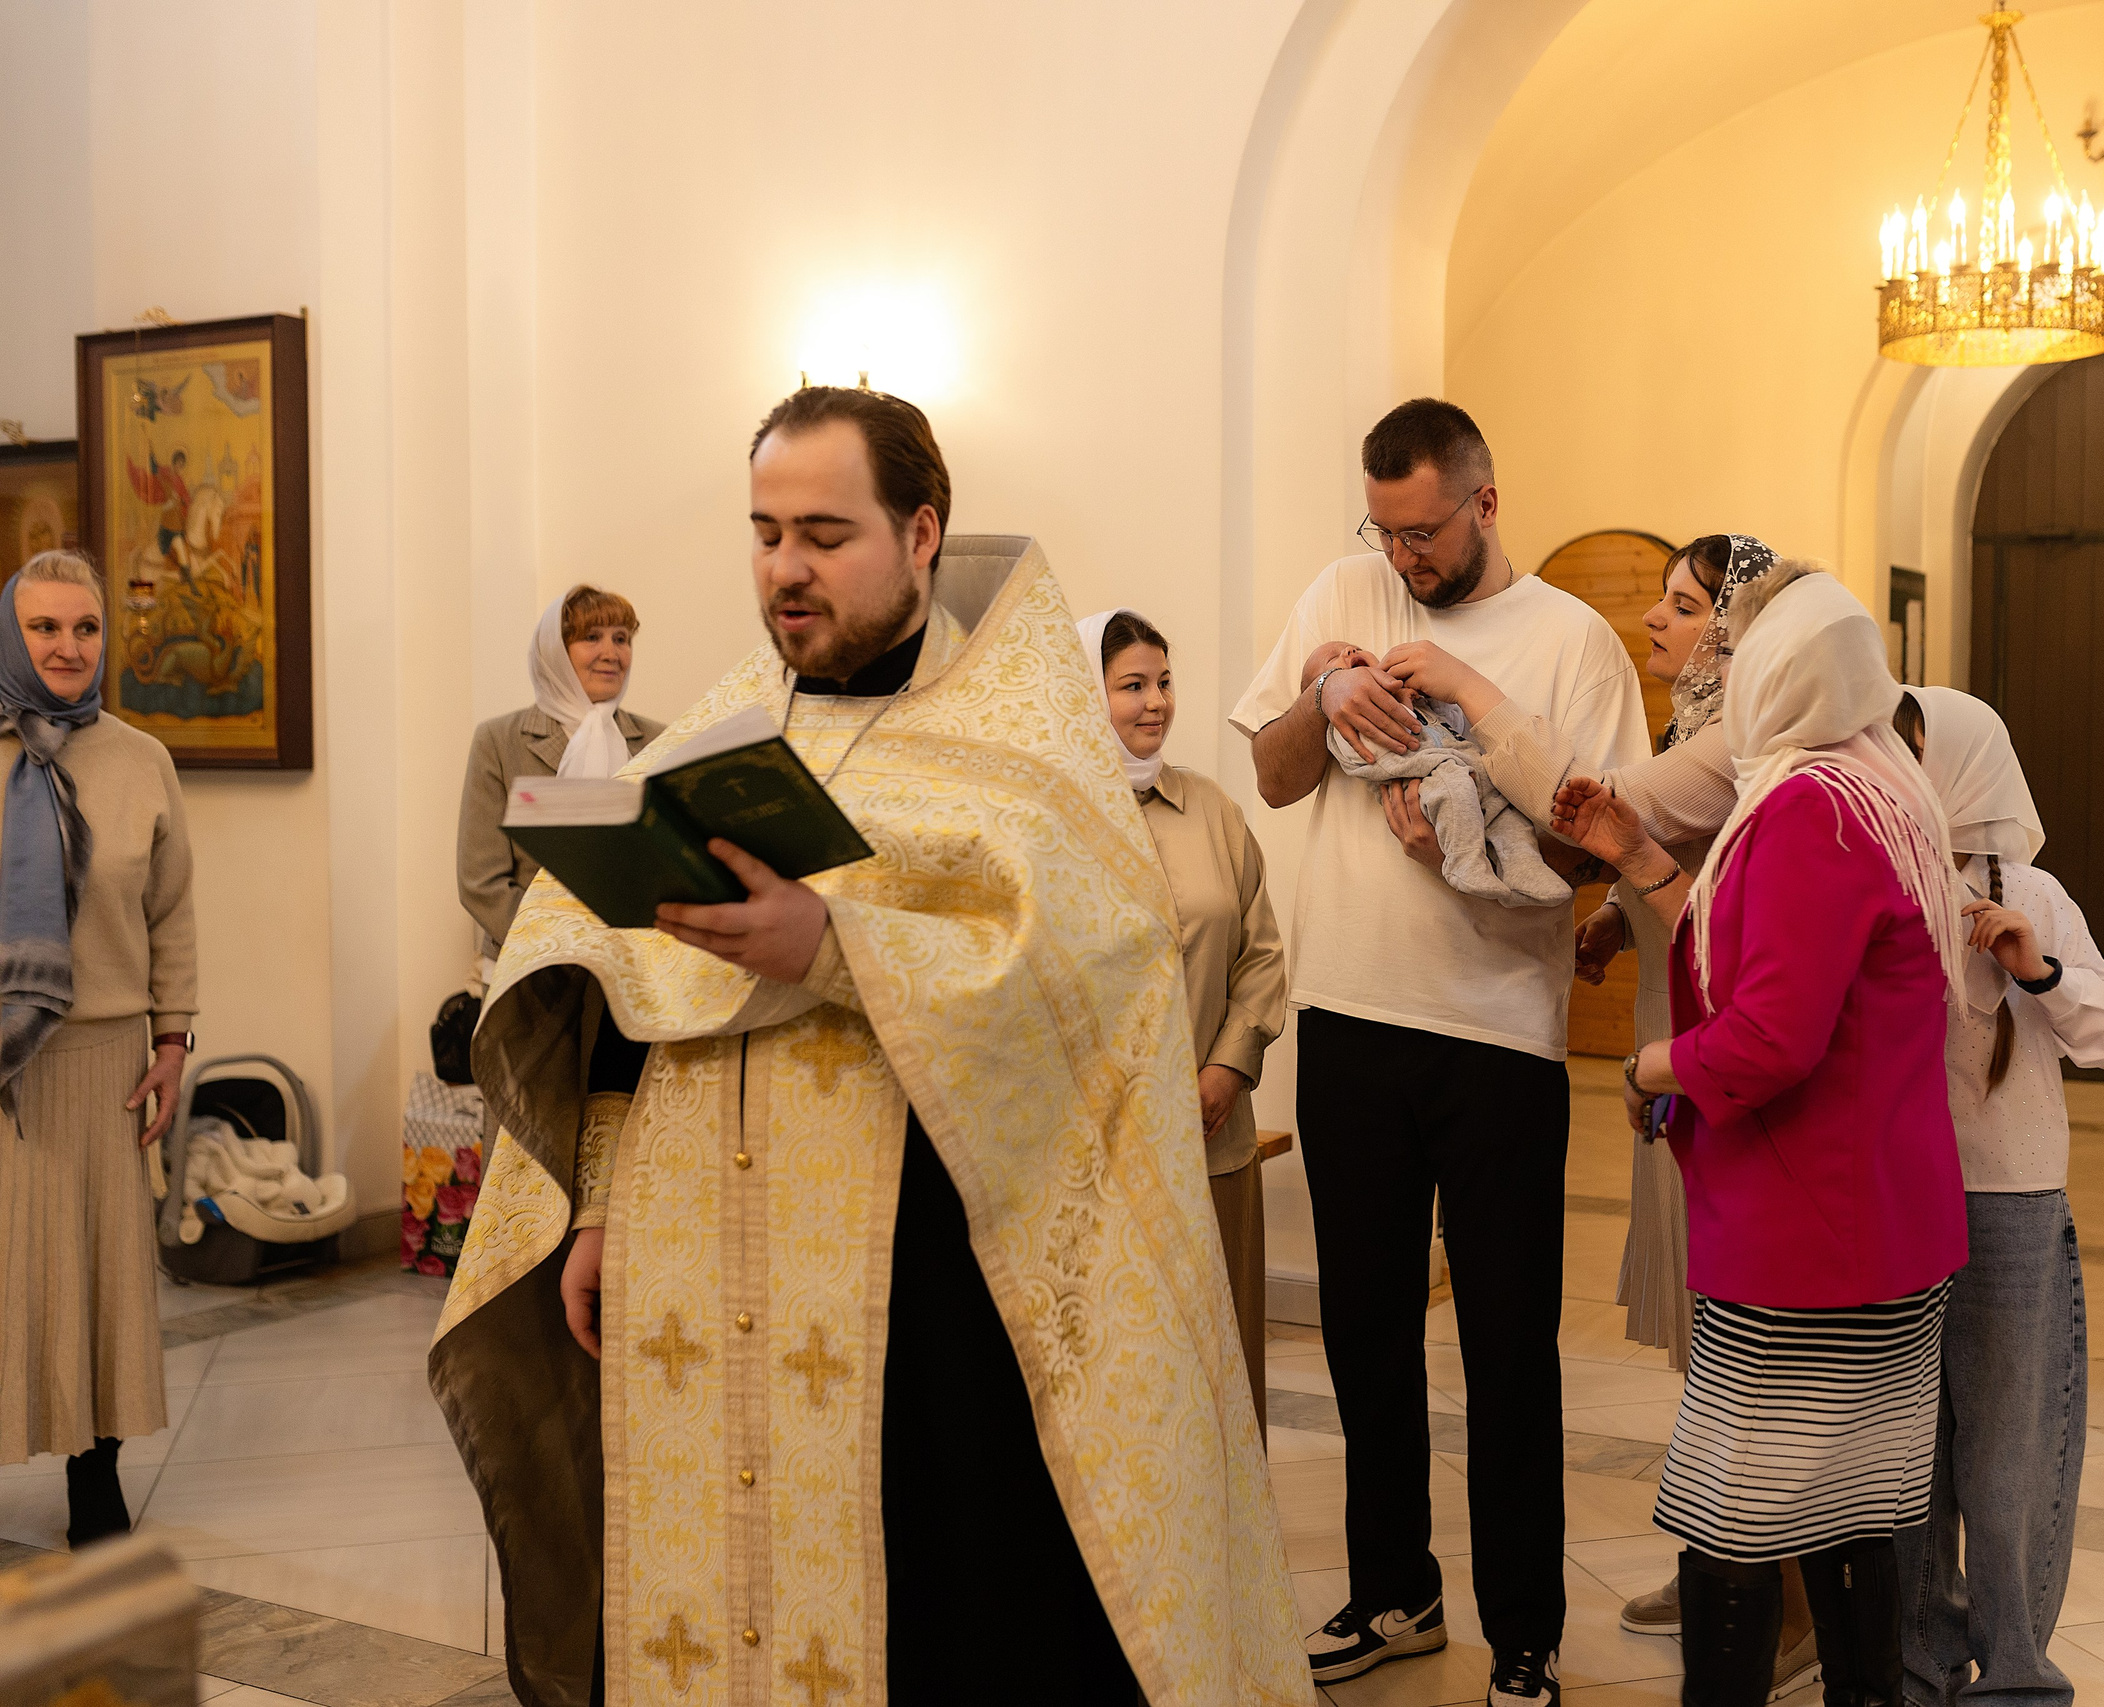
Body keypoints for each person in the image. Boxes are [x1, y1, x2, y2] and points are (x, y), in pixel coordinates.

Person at [431, 387, 1310, 1707]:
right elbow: (626, 998)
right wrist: (601, 1198)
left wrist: (836, 944)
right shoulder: (730, 723)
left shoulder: (1026, 749)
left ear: (921, 532)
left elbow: (1087, 984)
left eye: (825, 532)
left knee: (940, 1613)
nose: (786, 566)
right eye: (765, 530)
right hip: (698, 1259)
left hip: (924, 1280)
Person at [1232, 398, 1648, 1707]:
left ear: (1484, 500)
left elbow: (1603, 844)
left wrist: (1468, 798)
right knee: (1363, 1329)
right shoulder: (1344, 587)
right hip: (1351, 1011)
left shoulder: (1572, 642)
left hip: (1498, 1033)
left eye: (1425, 532)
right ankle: (1394, 1590)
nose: (1404, 561)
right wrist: (1323, 688)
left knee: (1509, 1343)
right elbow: (1280, 775)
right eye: (1386, 531)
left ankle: (1523, 1626)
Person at [1557, 566, 1968, 1707]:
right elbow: (1764, 966)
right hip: (1880, 1222)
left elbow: (1770, 1038)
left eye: (1734, 655)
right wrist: (1644, 861)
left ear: (1781, 674)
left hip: (1808, 1236)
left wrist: (1650, 1065)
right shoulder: (1880, 790)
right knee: (1851, 1518)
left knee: (1731, 1525)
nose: (1714, 674)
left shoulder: (1804, 810)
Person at [1451, 534, 1817, 1688]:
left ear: (1737, 634)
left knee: (1752, 1350)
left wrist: (1463, 690)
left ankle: (1788, 1602)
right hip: (1681, 1052)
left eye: (1683, 605)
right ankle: (1724, 1556)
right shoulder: (1697, 736)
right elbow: (1672, 871)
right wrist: (1620, 915)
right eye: (1656, 601)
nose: (1655, 622)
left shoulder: (1730, 743)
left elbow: (1584, 806)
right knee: (1711, 1343)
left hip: (1712, 1064)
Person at [1891, 686, 2104, 1707]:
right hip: (1900, 1202)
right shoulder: (1880, 877)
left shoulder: (2033, 892)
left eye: (1909, 752)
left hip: (2011, 1202)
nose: (1893, 772)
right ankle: (1919, 1661)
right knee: (1907, 1463)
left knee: (2004, 1461)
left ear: (1961, 768)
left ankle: (2018, 1676)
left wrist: (2035, 970)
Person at [0, 551, 199, 1545]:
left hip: (110, 1057)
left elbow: (171, 912)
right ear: (12, 634)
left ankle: (95, 1478)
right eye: (45, 628)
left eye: (84, 628)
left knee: (105, 1275)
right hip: (2, 1068)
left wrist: (172, 1040)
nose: (68, 648)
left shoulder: (138, 758)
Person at [1078, 604, 1289, 1432]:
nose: (1156, 701)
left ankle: (1227, 1542)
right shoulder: (1060, 819)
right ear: (1082, 694)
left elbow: (1262, 953)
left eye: (1164, 681)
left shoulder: (1212, 811)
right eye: (1132, 684)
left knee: (1217, 1348)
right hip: (1100, 1141)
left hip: (1211, 1134)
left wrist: (1228, 1066)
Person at [456, 586, 664, 973]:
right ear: (554, 652)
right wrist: (562, 946)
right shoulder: (499, 740)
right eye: (591, 637)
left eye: (621, 638)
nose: (611, 653)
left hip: (635, 967)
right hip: (533, 971)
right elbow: (480, 881)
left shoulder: (658, 740)